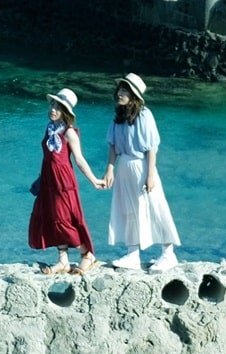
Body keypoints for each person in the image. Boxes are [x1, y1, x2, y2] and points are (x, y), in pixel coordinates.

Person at [98, 72, 180, 272]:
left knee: (155, 206)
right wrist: (109, 168)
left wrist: (150, 174)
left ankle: (168, 254)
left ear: (134, 94)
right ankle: (132, 253)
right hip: (124, 167)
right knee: (127, 209)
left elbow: (151, 147)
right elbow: (112, 145)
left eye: (125, 90)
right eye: (120, 89)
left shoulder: (145, 115)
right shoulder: (118, 117)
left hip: (141, 165)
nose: (120, 93)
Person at [29, 87, 101, 275]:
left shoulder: (69, 133)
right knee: (52, 217)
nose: (53, 109)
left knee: (65, 219)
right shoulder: (49, 128)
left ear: (66, 113)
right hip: (48, 179)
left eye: (58, 107)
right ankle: (63, 261)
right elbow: (48, 157)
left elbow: (79, 159)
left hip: (63, 181)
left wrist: (93, 179)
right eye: (53, 104)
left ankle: (87, 254)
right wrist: (39, 178)